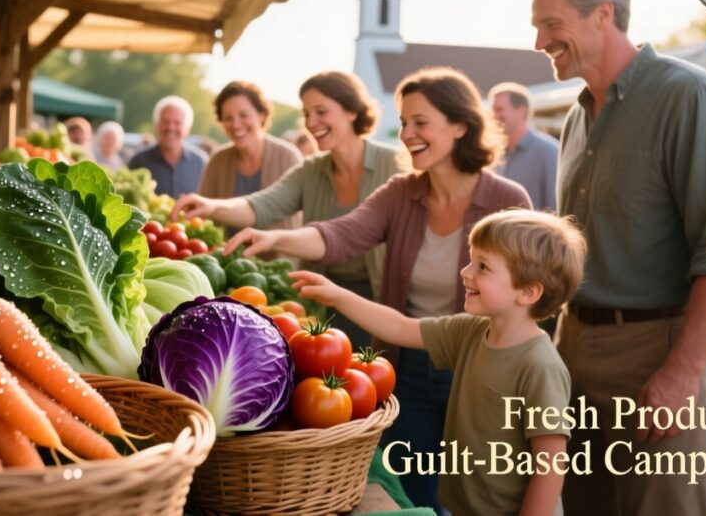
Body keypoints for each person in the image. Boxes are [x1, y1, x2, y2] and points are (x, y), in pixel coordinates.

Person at [223, 67, 531, 512]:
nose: (406, 134)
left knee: (478, 496)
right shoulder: (402, 193)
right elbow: (342, 233)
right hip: (408, 367)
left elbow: (527, 294)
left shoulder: (508, 200)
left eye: (420, 122)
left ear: (460, 126)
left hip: (479, 369)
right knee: (416, 496)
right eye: (403, 122)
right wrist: (276, 237)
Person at [527, 0, 706, 515]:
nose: (538, 41)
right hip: (572, 345)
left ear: (603, 14)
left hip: (656, 351)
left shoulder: (690, 95)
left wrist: (681, 372)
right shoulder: (576, 118)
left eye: (551, 24)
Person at [290, 209, 586, 516]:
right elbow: (400, 327)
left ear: (528, 292)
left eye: (483, 266)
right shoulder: (470, 331)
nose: (465, 272)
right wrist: (338, 296)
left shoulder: (541, 367)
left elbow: (550, 464)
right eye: (471, 260)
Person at [172, 71, 404, 347]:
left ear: (352, 110)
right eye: (306, 114)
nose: (311, 123)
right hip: (321, 300)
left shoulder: (395, 164)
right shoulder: (310, 170)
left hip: (379, 302)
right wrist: (211, 205)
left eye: (321, 112)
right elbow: (261, 204)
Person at [197, 80, 303, 234]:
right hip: (226, 250)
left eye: (243, 115)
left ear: (262, 115)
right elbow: (203, 216)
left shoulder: (288, 157)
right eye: (228, 118)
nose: (236, 124)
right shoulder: (218, 160)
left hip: (279, 250)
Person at [489, 82, 559, 211]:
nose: (493, 116)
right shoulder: (494, 153)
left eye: (499, 109)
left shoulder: (548, 151)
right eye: (493, 110)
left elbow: (555, 206)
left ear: (521, 111)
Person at [128, 95, 208, 197]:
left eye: (177, 123)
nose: (170, 128)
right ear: (156, 125)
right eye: (165, 122)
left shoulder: (201, 163)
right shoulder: (139, 161)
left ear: (188, 128)